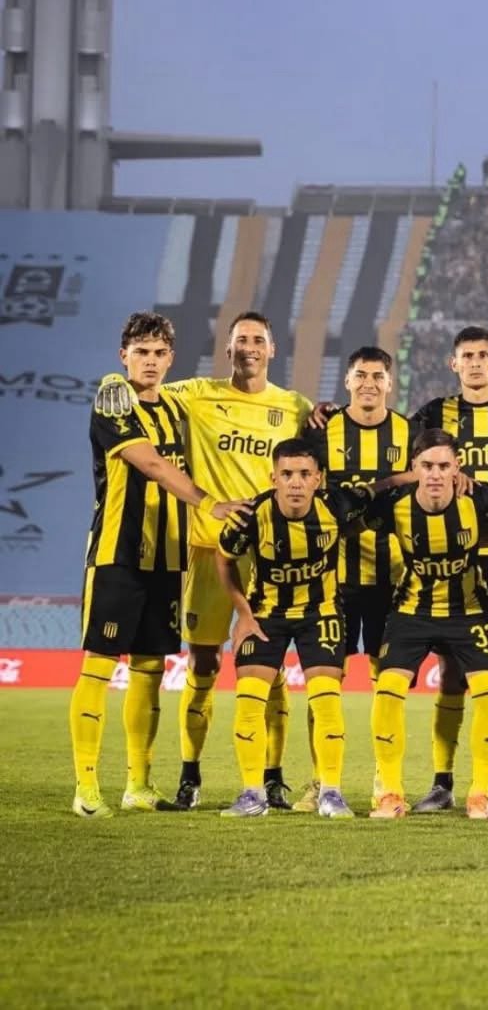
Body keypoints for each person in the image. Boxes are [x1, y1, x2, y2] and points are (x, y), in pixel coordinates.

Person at [95, 312, 315, 809]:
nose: (250, 347)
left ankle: (273, 777)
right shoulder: (196, 394)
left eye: (258, 339)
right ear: (228, 350)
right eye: (241, 340)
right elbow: (142, 386)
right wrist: (112, 379)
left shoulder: (294, 406)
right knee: (204, 664)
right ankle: (190, 775)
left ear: (272, 349)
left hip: (268, 556)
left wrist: (323, 413)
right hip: (207, 549)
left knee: (272, 668)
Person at [70, 312, 245, 817]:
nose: (149, 361)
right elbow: (148, 462)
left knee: (149, 671)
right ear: (123, 356)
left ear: (171, 358)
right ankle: (86, 788)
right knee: (99, 667)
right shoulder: (113, 400)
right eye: (140, 352)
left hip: (168, 558)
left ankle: (138, 784)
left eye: (158, 352)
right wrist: (209, 503)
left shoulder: (173, 408)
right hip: (118, 556)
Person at [407, 327, 488, 812]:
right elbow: (405, 458)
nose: (477, 362)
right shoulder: (432, 414)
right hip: (452, 559)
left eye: (484, 355)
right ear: (454, 363)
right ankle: (442, 781)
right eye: (468, 355)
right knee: (450, 671)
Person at [216, 439, 369, 819]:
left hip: (321, 612)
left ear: (318, 479)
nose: (295, 482)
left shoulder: (337, 506)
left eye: (304, 474)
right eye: (287, 474)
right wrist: (243, 614)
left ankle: (331, 793)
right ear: (274, 478)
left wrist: (413, 475)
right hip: (265, 615)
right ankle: (252, 794)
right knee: (249, 701)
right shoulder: (251, 516)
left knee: (326, 701)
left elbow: (380, 490)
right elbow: (224, 560)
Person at [362, 429, 488, 820]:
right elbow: (355, 512)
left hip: (469, 610)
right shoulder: (393, 504)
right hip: (412, 610)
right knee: (388, 688)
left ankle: (479, 793)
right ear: (414, 467)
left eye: (444, 466)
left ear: (457, 467)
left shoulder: (482, 498)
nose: (435, 474)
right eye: (427, 466)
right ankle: (390, 793)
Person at [297, 346, 411, 811]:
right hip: (333, 580)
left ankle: (386, 782)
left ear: (390, 382)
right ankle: (322, 781)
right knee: (325, 681)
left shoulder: (408, 431)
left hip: (392, 578)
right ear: (346, 382)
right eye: (360, 375)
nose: (369, 383)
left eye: (377, 376)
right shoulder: (321, 431)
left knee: (389, 683)